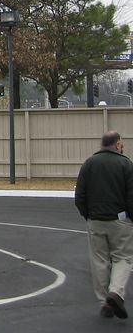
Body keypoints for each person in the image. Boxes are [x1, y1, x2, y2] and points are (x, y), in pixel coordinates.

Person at [75, 130, 133, 319]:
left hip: (96, 221)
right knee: (123, 258)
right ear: (117, 144)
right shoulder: (125, 164)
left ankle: (104, 301)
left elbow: (80, 195)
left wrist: (88, 215)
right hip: (120, 220)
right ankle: (115, 292)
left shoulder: (89, 164)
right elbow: (131, 196)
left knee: (99, 261)